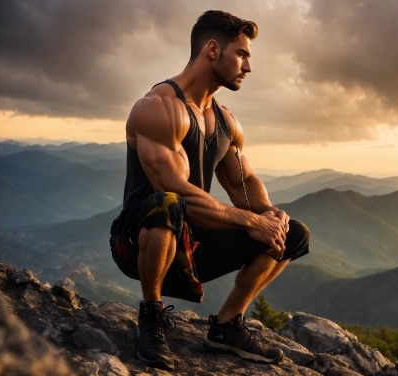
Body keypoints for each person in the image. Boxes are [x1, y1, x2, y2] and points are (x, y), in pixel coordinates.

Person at [110, 10, 310, 371]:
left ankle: (226, 326)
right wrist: (250, 221)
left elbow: (243, 183)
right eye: (243, 54)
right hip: (139, 242)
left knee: (293, 234)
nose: (248, 67)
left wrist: (268, 214)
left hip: (195, 239)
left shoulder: (225, 120)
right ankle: (152, 315)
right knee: (167, 204)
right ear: (213, 50)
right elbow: (178, 193)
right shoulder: (158, 108)